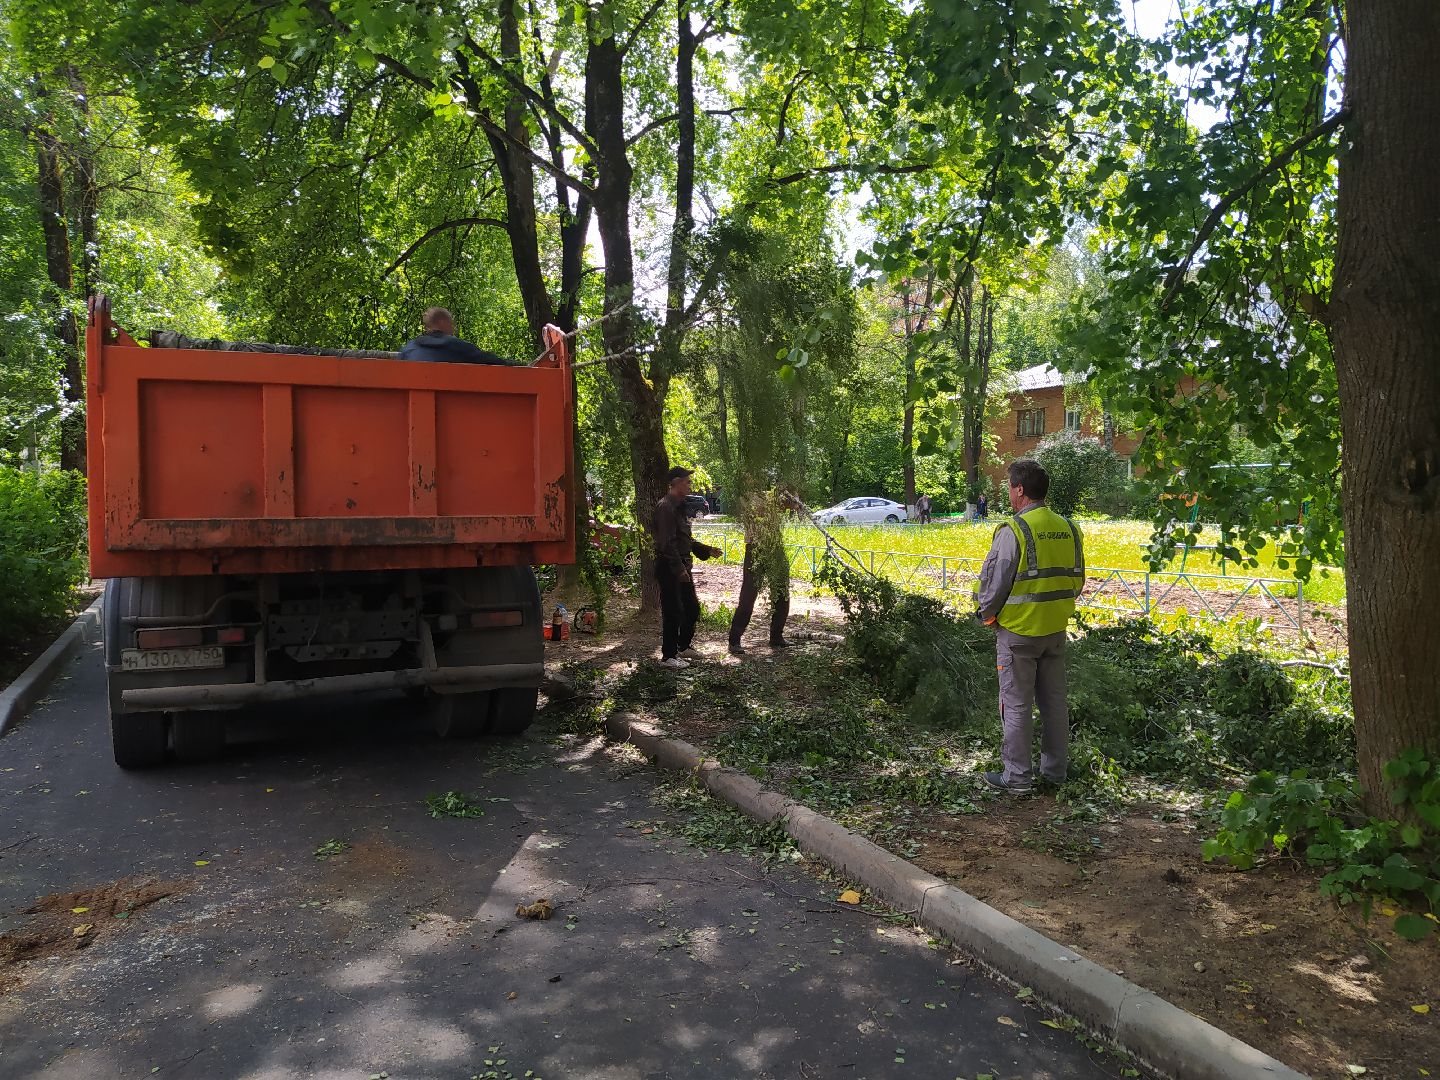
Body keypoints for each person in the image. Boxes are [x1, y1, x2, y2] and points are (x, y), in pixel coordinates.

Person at [974, 459, 1086, 793]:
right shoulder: (1068, 527)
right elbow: (1077, 581)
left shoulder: (1014, 530)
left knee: (1017, 704)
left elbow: (994, 583)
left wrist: (987, 616)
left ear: (1020, 490)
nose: (1008, 491)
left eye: (1009, 486)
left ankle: (1017, 779)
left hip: (1019, 633)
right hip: (1055, 631)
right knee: (1054, 704)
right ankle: (1054, 774)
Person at [652, 467, 722, 669]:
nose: (690, 485)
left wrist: (706, 549)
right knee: (673, 611)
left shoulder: (679, 506)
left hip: (681, 565)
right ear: (676, 483)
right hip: (669, 567)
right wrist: (679, 569)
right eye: (687, 482)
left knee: (691, 608)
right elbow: (666, 543)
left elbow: (685, 540)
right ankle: (669, 656)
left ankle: (683, 646)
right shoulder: (665, 507)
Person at [728, 487, 798, 655]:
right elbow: (759, 510)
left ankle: (776, 636)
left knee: (782, 593)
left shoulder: (773, 492)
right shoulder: (746, 493)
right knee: (748, 595)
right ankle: (734, 640)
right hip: (756, 548)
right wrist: (778, 499)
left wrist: (792, 495)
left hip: (775, 547)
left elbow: (793, 504)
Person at [400, 307, 508, 365]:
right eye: (452, 323)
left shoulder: (409, 349)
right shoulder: (456, 345)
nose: (454, 328)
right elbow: (490, 360)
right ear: (442, 322)